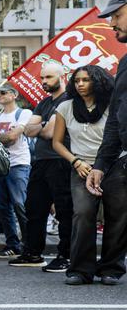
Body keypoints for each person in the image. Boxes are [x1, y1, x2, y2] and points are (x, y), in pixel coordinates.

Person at [52, 65, 117, 284]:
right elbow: (57, 142)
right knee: (82, 214)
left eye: (86, 80)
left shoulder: (112, 105)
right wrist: (75, 161)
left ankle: (111, 269)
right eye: (77, 80)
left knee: (116, 218)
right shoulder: (66, 107)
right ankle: (80, 269)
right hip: (82, 167)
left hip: (114, 165)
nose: (80, 84)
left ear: (97, 81)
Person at [87, 0, 127, 293]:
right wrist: (101, 163)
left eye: (117, 15)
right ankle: (111, 265)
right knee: (115, 209)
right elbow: (115, 118)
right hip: (123, 159)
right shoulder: (124, 63)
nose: (112, 24)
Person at [16, 63, 73, 271]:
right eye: (42, 78)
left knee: (65, 211)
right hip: (40, 161)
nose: (43, 82)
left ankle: (65, 255)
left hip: (61, 160)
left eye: (48, 77)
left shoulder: (68, 100)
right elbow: (30, 130)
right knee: (34, 208)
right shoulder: (43, 103)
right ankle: (33, 253)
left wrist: (38, 127)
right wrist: (42, 125)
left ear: (62, 76)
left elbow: (50, 133)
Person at [0, 83, 32, 258]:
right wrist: (3, 138)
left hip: (18, 164)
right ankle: (13, 243)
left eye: (3, 92)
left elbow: (12, 137)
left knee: (20, 204)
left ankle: (30, 243)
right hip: (0, 167)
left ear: (14, 95)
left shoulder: (24, 113)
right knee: (2, 207)